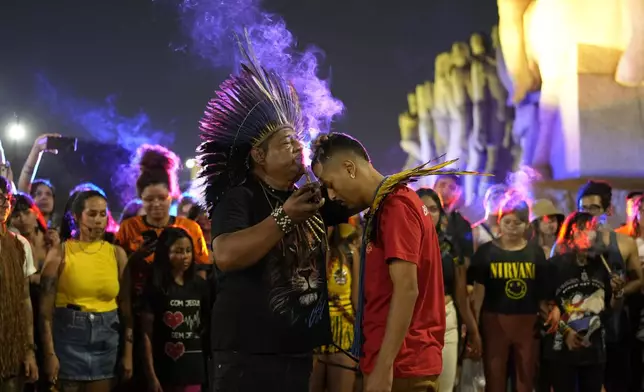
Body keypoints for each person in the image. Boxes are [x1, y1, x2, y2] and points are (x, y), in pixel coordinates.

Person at [198, 37, 348, 392]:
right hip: (247, 353)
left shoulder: (310, 198)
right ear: (259, 156)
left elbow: (362, 197)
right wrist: (285, 217)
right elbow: (226, 255)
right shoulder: (240, 197)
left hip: (296, 349)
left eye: (298, 140)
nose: (298, 146)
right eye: (286, 142)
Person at [310, 132, 480, 392]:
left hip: (402, 364)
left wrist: (383, 366)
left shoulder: (395, 206)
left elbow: (407, 289)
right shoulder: (389, 203)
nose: (331, 195)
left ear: (349, 168)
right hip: (397, 361)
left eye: (330, 183)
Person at [39, 190, 132, 392]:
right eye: (92, 214)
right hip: (68, 338)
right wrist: (49, 354)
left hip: (106, 340)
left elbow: (126, 307)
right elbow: (45, 312)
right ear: (76, 216)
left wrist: (128, 352)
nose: (98, 220)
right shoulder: (61, 252)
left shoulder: (117, 254)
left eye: (102, 214)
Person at [469, 197, 548, 392]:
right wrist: (474, 327)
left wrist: (547, 314)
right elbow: (478, 293)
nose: (512, 227)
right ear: (500, 222)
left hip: (527, 322)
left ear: (527, 225)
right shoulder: (486, 252)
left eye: (518, 222)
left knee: (525, 377)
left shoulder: (536, 253)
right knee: (494, 376)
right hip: (494, 320)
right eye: (507, 221)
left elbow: (542, 293)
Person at [543, 212, 625, 392]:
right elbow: (544, 306)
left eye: (593, 228)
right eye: (583, 228)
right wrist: (566, 333)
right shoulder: (555, 266)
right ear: (572, 232)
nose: (589, 233)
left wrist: (618, 294)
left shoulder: (602, 266)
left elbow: (611, 308)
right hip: (561, 349)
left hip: (594, 350)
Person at [575, 180, 642, 392]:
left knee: (618, 381)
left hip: (615, 324)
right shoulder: (567, 244)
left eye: (593, 208)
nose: (587, 214)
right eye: (582, 208)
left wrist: (618, 290)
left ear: (608, 210)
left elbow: (639, 280)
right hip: (581, 325)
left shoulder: (624, 242)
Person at [416, 188, 482, 392]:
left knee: (444, 387)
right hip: (414, 324)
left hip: (447, 320)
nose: (428, 213)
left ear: (441, 213)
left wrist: (473, 331)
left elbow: (460, 294)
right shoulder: (403, 244)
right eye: (422, 208)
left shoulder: (450, 247)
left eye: (433, 209)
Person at [141, 227, 210, 392]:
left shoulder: (200, 286)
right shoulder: (155, 287)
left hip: (194, 371)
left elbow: (207, 324)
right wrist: (151, 375)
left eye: (188, 250)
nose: (185, 256)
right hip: (165, 371)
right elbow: (146, 334)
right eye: (178, 251)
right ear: (166, 253)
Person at [310, 223, 360, 392]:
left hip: (343, 334)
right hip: (313, 335)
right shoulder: (304, 252)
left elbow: (357, 301)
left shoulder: (350, 253)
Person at [0, 176, 39, 391]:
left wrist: (29, 351)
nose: (5, 205)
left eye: (8, 200)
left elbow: (25, 300)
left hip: (10, 347)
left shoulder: (19, 245)